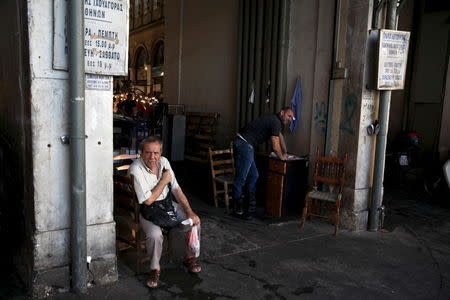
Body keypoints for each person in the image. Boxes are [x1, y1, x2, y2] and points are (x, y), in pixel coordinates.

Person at [128, 136, 201, 288]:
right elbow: (148, 201)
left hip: (166, 205)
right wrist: (163, 180)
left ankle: (190, 257)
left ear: (160, 152)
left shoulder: (164, 162)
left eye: (156, 153)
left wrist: (189, 212)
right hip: (147, 210)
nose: (152, 157)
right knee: (155, 235)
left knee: (194, 222)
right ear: (141, 153)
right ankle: (154, 269)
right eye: (148, 153)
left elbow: (176, 189)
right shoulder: (136, 169)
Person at [232, 106, 295, 219]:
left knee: (254, 175)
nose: (290, 119)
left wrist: (286, 152)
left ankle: (251, 208)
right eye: (289, 116)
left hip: (245, 144)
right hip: (244, 144)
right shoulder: (275, 122)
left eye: (292, 118)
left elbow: (279, 137)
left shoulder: (275, 122)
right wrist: (282, 157)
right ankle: (237, 209)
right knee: (241, 177)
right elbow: (275, 146)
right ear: (282, 113)